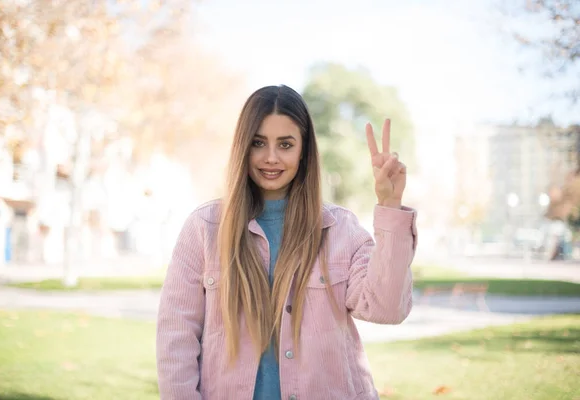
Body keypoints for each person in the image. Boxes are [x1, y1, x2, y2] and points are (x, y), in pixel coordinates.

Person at [156, 85, 417, 400]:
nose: (271, 158)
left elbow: (387, 309)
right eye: (258, 143)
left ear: (303, 151)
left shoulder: (340, 229)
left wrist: (389, 206)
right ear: (243, 146)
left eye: (285, 144)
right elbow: (176, 340)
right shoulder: (204, 228)